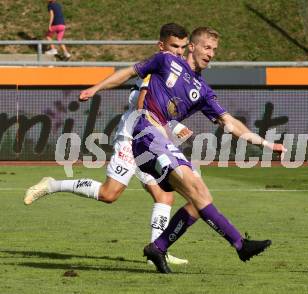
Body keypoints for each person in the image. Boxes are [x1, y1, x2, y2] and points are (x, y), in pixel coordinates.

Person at [78, 26, 286, 274]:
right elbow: (127, 73)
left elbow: (230, 123)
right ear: (193, 47)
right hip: (147, 133)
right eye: (207, 47)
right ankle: (240, 245)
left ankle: (159, 247)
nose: (211, 54)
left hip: (160, 142)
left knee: (199, 201)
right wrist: (95, 88)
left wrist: (266, 144)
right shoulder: (165, 60)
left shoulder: (204, 91)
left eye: (215, 50)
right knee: (196, 191)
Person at [24, 23, 191, 265]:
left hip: (152, 143)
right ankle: (52, 185)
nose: (178, 51)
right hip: (133, 139)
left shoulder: (177, 73)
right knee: (109, 194)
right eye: (174, 46)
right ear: (161, 46)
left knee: (164, 195)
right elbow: (143, 107)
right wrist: (174, 127)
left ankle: (157, 252)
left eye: (182, 47)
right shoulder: (157, 71)